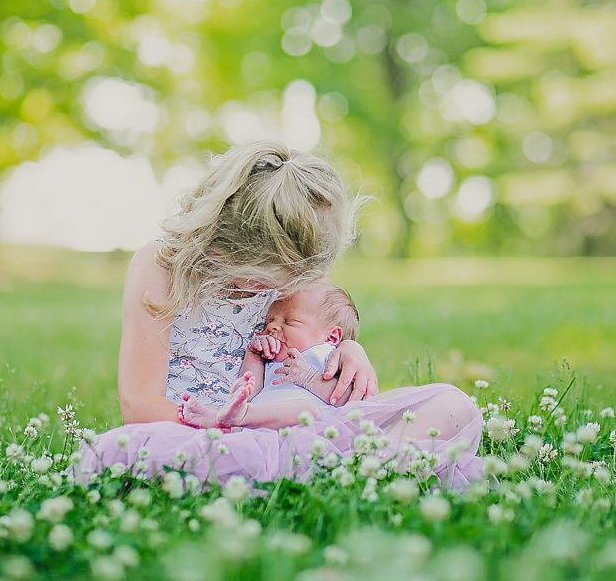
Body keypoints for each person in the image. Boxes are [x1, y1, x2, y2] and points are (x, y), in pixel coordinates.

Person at [75, 141, 483, 489]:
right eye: (256, 280)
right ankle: (341, 474)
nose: (267, 292)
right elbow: (140, 406)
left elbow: (320, 333)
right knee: (126, 451)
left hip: (296, 427)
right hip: (200, 436)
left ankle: (330, 471)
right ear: (227, 241)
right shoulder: (161, 267)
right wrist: (231, 426)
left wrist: (350, 348)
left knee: (452, 406)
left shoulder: (295, 264)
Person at [178, 282, 363, 431]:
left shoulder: (330, 356)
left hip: (306, 425)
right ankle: (218, 418)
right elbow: (251, 389)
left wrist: (311, 379)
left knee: (308, 410)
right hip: (260, 424)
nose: (272, 327)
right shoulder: (273, 358)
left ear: (331, 337)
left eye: (290, 321)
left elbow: (351, 399)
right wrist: (254, 354)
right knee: (224, 412)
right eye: (270, 321)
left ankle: (240, 418)